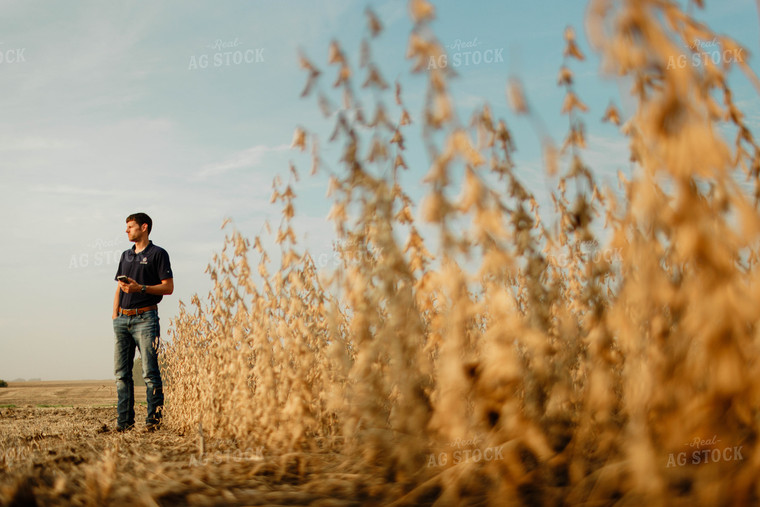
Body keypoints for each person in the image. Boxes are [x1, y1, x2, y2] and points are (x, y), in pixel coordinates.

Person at [112, 212, 174, 432]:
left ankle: (153, 423)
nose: (126, 230)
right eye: (126, 226)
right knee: (121, 375)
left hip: (146, 319)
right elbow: (119, 287)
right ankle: (124, 423)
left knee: (149, 373)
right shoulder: (125, 256)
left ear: (144, 227)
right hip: (122, 320)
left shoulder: (159, 254)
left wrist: (141, 288)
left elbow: (168, 288)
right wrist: (115, 315)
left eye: (130, 226)